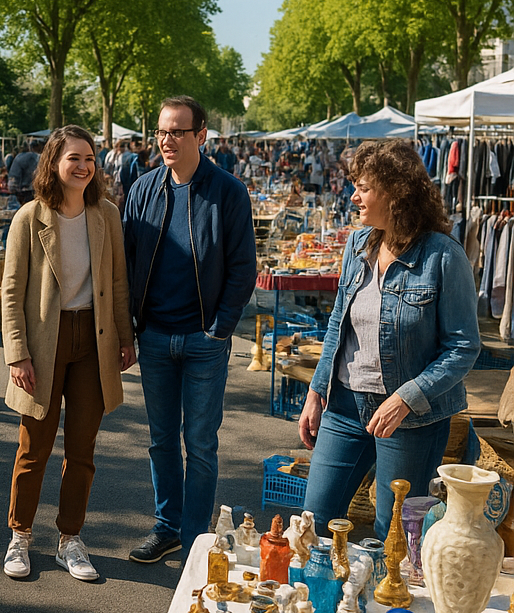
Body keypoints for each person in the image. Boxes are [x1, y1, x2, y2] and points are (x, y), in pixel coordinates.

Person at [298, 139, 480, 540]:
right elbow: (337, 324)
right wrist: (317, 390)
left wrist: (406, 398)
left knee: (392, 537)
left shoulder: (442, 256)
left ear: (394, 192)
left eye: (363, 187)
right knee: (313, 523)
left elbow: (464, 346)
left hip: (411, 418)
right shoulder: (357, 244)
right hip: (345, 406)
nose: (354, 195)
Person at [123, 96, 256, 562]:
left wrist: (220, 328)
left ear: (201, 135)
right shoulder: (142, 190)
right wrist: (130, 329)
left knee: (199, 443)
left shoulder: (228, 191)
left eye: (177, 131)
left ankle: (197, 537)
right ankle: (167, 526)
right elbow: (126, 263)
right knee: (161, 440)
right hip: (155, 336)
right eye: (161, 131)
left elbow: (244, 267)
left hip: (204, 339)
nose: (166, 140)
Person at [1, 126, 135, 581]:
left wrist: (124, 336)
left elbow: (117, 282)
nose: (83, 166)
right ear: (54, 163)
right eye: (73, 158)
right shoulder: (28, 218)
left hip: (92, 342)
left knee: (82, 448)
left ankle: (70, 538)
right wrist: (17, 354)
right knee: (33, 447)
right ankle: (20, 536)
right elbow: (11, 290)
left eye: (90, 158)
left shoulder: (106, 215)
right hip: (43, 343)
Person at [7, 139, 44, 205]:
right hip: (36, 191)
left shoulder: (19, 158)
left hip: (22, 192)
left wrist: (12, 190)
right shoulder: (39, 158)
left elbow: (13, 177)